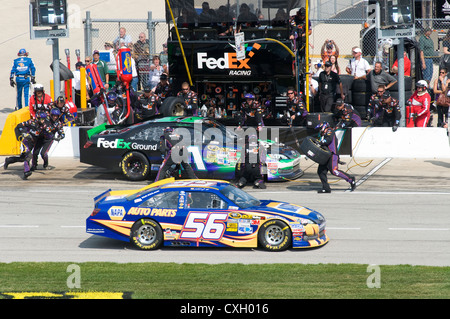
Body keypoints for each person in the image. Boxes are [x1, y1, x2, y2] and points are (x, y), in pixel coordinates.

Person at [3, 112, 50, 179]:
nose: (43, 121)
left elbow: (46, 134)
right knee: (28, 155)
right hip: (26, 141)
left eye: (44, 119)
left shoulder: (44, 126)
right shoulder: (31, 122)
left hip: (32, 143)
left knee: (22, 158)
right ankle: (26, 172)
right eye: (42, 119)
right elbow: (18, 126)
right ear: (38, 118)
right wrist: (23, 133)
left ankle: (9, 160)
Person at [315, 121, 356, 193]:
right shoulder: (324, 135)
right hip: (326, 155)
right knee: (321, 172)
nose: (319, 131)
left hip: (332, 155)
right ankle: (326, 188)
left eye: (320, 129)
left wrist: (320, 143)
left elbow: (328, 140)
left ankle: (351, 179)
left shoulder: (330, 131)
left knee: (334, 171)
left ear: (324, 127)